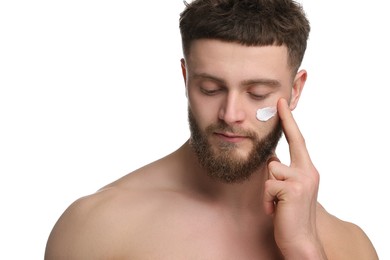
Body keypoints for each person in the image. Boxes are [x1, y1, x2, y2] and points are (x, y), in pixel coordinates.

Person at [45, 0, 378, 259]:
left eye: (257, 93)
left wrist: (305, 250)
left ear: (295, 91)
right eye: (210, 88)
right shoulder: (98, 226)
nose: (230, 114)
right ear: (185, 77)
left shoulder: (346, 246)